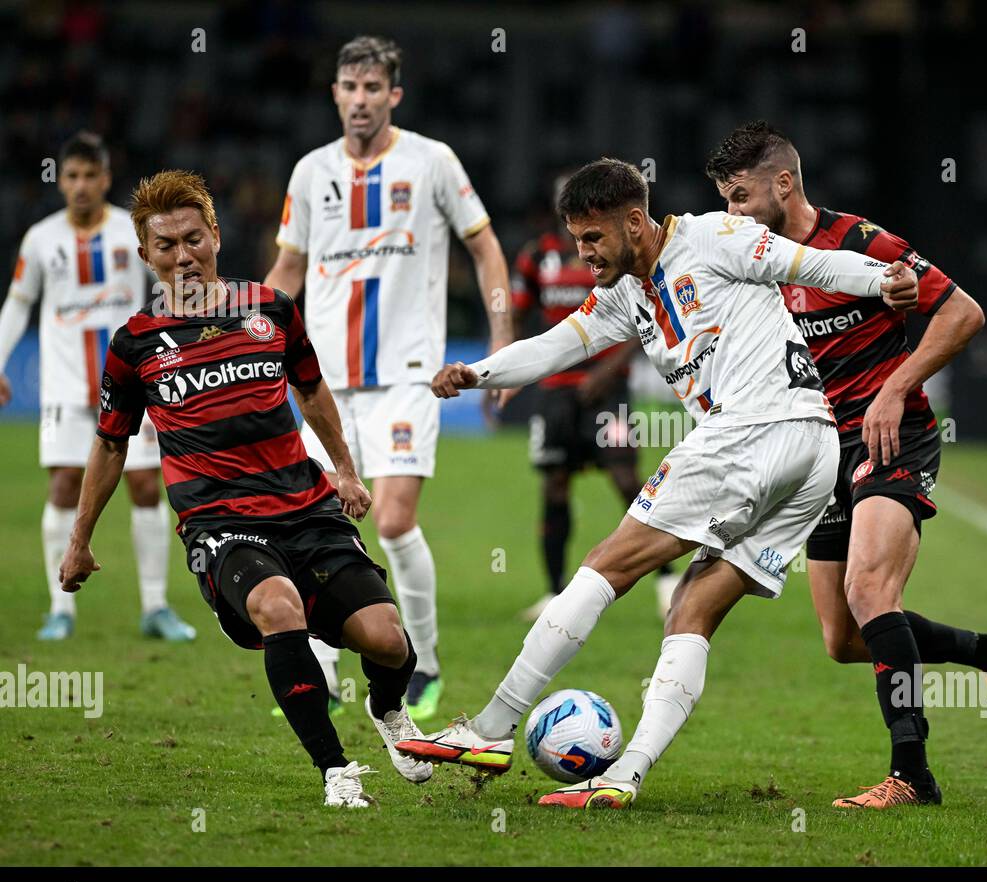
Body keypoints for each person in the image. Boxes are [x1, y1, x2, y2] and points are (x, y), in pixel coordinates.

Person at [397, 157, 916, 809]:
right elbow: (556, 346)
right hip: (812, 452)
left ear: (635, 221)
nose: (582, 254)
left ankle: (492, 729)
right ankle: (623, 775)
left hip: (755, 429)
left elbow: (806, 265)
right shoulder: (623, 293)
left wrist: (881, 277)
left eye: (592, 239)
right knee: (691, 609)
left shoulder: (711, 237)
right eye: (576, 240)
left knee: (607, 564)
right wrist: (479, 373)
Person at [59, 169, 431, 808]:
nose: (184, 257)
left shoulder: (271, 309)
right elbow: (112, 442)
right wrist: (79, 540)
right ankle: (336, 772)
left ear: (216, 238)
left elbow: (310, 388)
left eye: (193, 239)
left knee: (389, 641)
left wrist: (344, 470)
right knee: (279, 607)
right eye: (167, 246)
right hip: (220, 522)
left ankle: (388, 710)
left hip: (307, 507)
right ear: (146, 256)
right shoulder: (133, 346)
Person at [706, 121, 987, 809]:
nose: (732, 213)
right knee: (844, 637)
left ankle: (912, 776)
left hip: (892, 436)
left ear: (784, 183)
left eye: (740, 197)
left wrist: (894, 387)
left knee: (869, 591)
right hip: (820, 450)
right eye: (725, 201)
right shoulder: (749, 258)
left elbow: (963, 314)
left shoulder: (859, 243)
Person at [265, 35, 512, 722]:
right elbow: (288, 268)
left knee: (395, 518)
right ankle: (323, 661)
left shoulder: (432, 160)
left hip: (409, 375)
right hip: (326, 382)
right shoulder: (312, 171)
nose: (361, 100)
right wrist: (243, 337)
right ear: (335, 95)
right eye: (350, 87)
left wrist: (499, 339)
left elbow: (484, 245)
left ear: (393, 95)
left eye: (374, 88)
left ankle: (423, 659)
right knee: (314, 523)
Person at [0, 131, 195, 643]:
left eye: (91, 175)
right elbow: (19, 303)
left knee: (147, 486)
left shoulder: (131, 234)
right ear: (60, 181)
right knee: (64, 483)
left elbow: (166, 286)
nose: (81, 185)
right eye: (72, 176)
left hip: (134, 382)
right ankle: (59, 608)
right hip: (65, 385)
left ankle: (155, 606)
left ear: (106, 179)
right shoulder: (41, 240)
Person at [511, 174, 679, 622]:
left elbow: (636, 311)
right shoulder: (537, 257)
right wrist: (511, 367)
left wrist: (608, 369)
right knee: (554, 484)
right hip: (556, 395)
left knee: (626, 479)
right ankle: (553, 591)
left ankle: (667, 577)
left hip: (610, 390)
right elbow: (516, 312)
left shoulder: (610, 255)